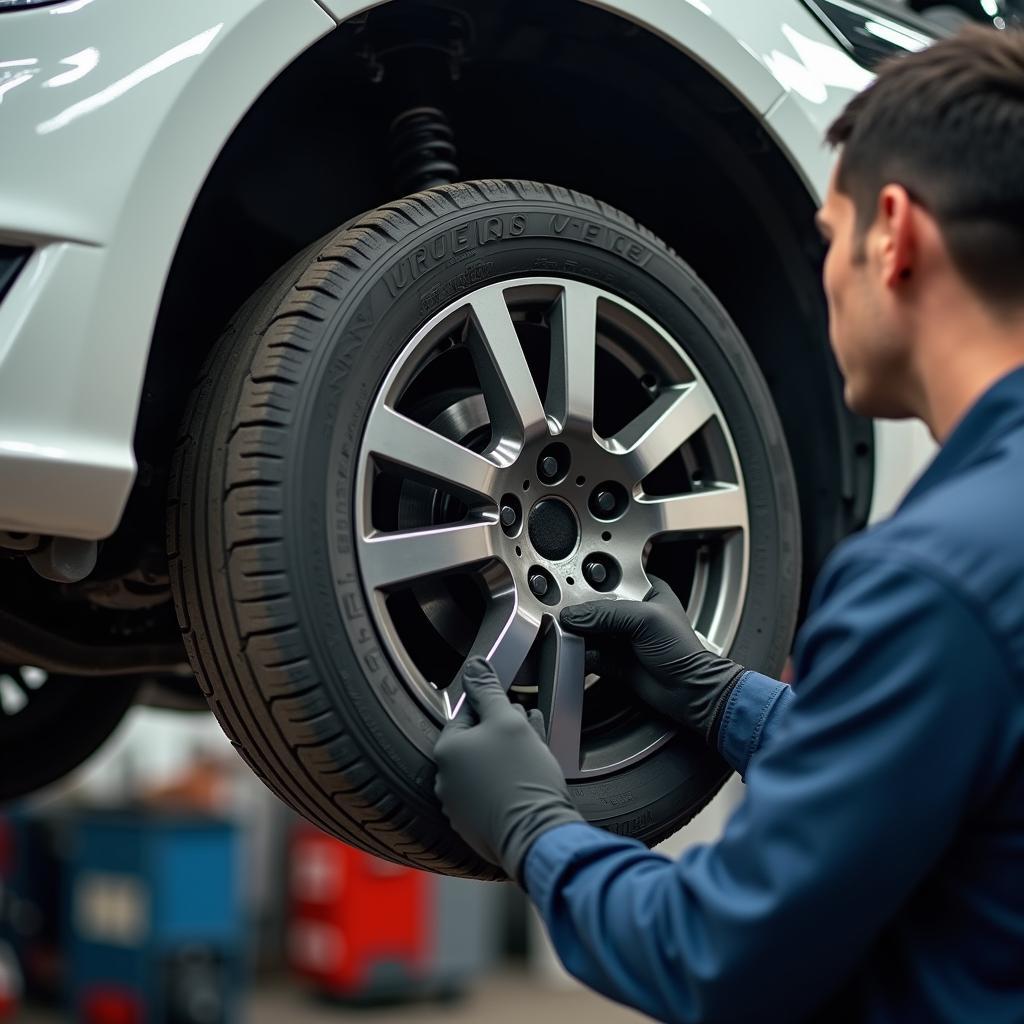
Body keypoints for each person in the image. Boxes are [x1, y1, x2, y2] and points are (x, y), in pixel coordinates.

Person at [432, 25, 1024, 1024]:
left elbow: (715, 954)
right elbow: (948, 768)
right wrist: (721, 700)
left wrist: (534, 831)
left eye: (828, 238)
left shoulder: (931, 581)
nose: (827, 274)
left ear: (895, 233)